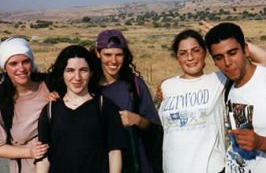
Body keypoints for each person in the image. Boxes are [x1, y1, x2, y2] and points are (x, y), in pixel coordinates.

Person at [158, 27, 266, 173]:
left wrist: (232, 39)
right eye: (183, 53)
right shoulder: (166, 86)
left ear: (205, 53)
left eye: (195, 50)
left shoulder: (220, 79)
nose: (190, 57)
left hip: (211, 168)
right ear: (177, 57)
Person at [205, 22, 266, 173]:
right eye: (219, 57)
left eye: (232, 53)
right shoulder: (228, 88)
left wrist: (261, 143)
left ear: (246, 50)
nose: (227, 63)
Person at [36, 45, 126, 173]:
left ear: (91, 73)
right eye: (70, 70)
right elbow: (44, 157)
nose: (77, 77)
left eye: (83, 70)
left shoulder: (104, 107)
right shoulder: (51, 109)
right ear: (62, 73)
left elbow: (115, 152)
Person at [92, 29, 162, 173]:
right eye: (107, 55)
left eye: (119, 55)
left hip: (136, 164)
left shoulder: (135, 85)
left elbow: (155, 128)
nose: (113, 61)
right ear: (98, 54)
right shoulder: (88, 87)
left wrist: (136, 119)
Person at [0, 37, 49, 173]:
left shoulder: (50, 85)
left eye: (25, 62)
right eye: (13, 64)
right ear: (5, 67)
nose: (20, 68)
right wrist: (30, 152)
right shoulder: (3, 101)